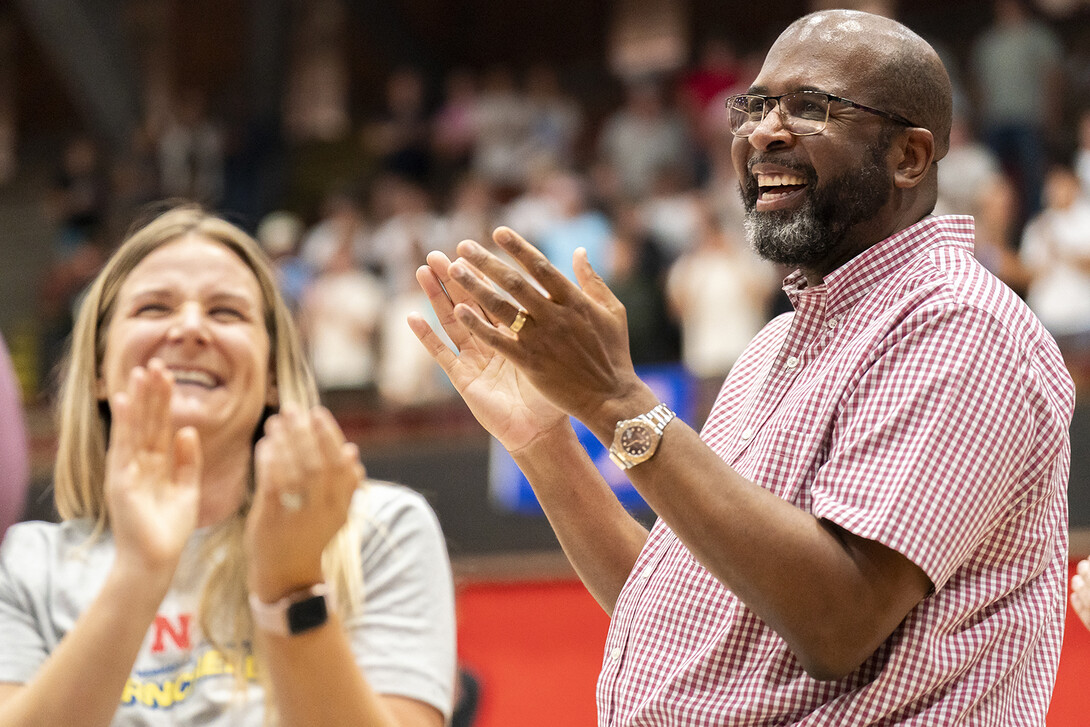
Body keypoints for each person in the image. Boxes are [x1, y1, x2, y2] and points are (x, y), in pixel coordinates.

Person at [408, 9, 1074, 724]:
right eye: (754, 106)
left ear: (909, 157)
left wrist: (614, 400)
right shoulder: (774, 348)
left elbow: (837, 620)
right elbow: (692, 614)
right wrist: (546, 444)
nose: (762, 131)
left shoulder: (957, 323)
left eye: (811, 107)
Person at [0, 206, 456, 726]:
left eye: (226, 313)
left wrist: (290, 589)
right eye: (153, 307)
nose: (191, 329)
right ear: (100, 369)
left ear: (272, 376)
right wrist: (139, 573)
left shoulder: (379, 530)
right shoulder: (25, 565)